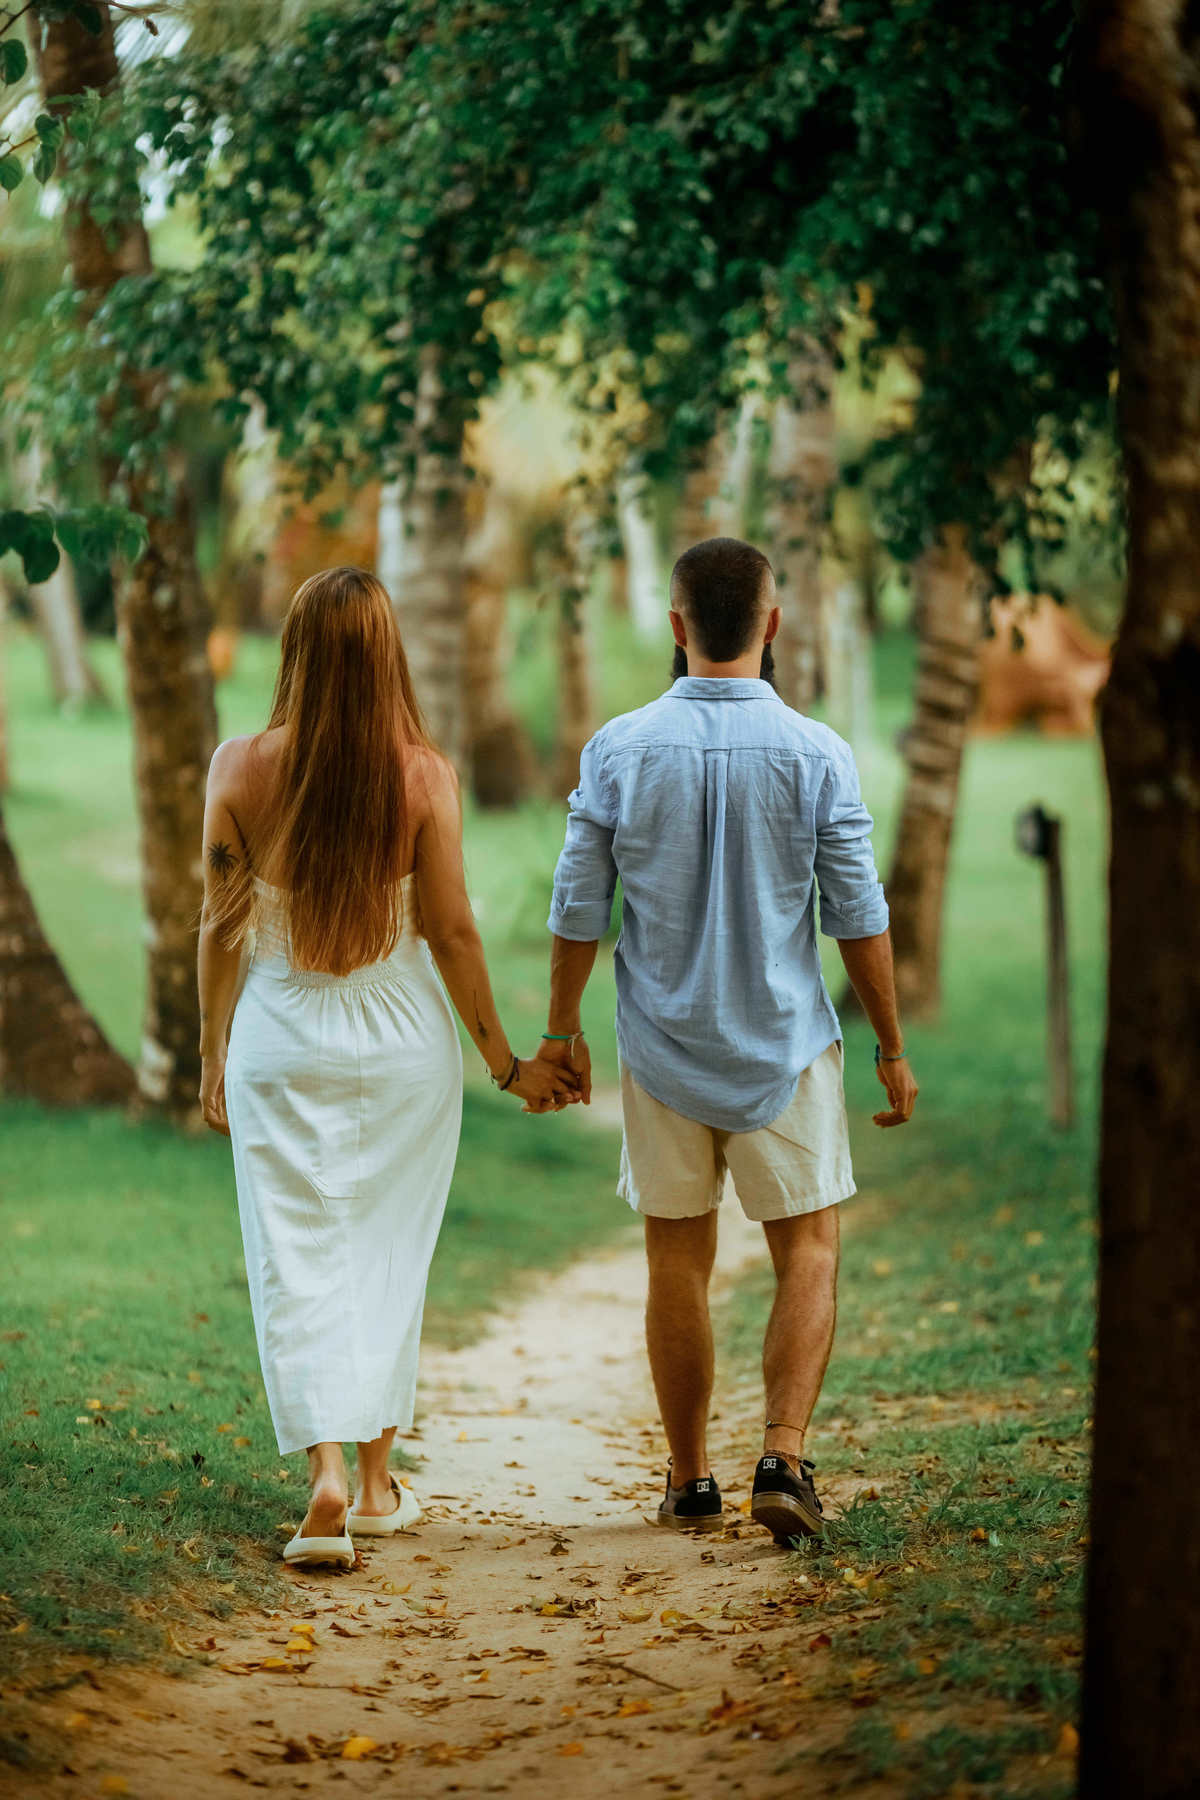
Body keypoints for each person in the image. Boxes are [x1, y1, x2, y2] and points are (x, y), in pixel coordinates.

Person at [535, 537, 918, 1541]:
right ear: (772, 623)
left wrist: (561, 1029)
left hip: (661, 1050)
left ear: (676, 626)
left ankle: (691, 1478)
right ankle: (782, 1457)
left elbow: (578, 909)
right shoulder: (817, 752)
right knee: (810, 1250)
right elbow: (858, 916)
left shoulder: (618, 749)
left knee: (677, 1259)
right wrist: (890, 1044)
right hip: (784, 1047)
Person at [196, 567, 578, 1569]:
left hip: (280, 1038)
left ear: (293, 654)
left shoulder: (236, 769)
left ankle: (325, 1473)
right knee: (385, 1254)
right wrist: (506, 1065)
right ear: (386, 658)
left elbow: (221, 927)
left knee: (295, 1254)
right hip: (405, 1046)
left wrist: (210, 1049)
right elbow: (451, 933)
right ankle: (374, 1485)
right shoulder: (424, 777)